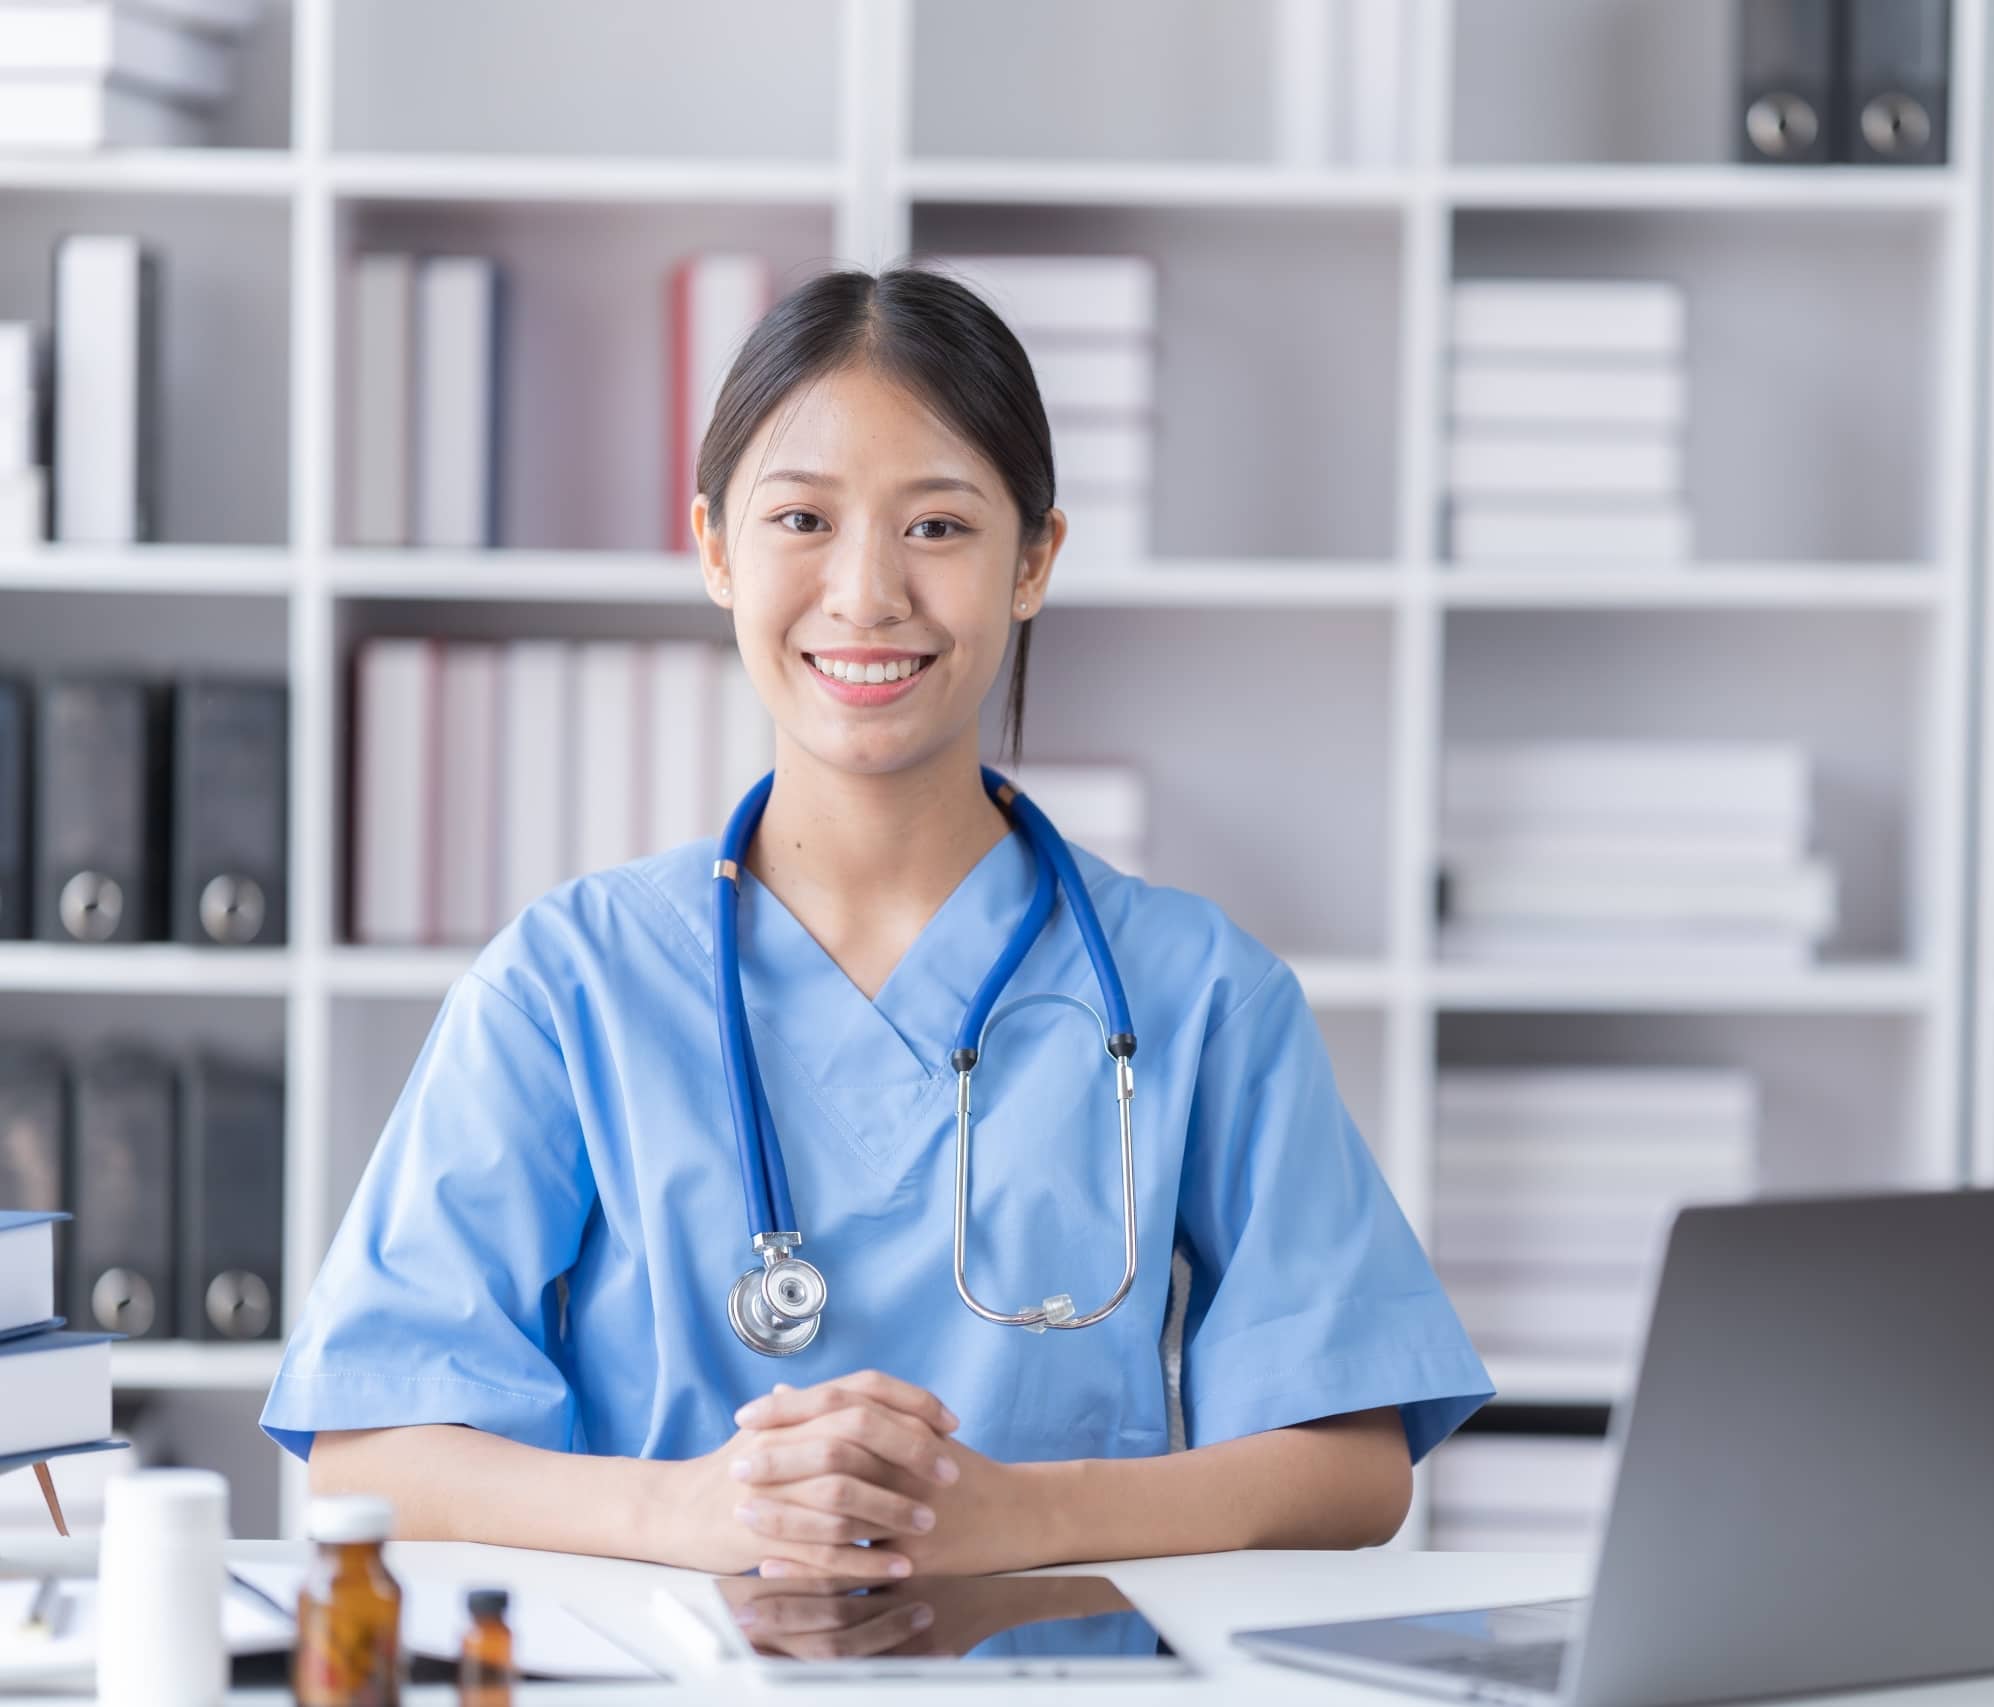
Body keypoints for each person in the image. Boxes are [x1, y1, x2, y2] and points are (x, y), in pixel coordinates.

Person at [261, 266, 1492, 1578]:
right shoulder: (572, 983)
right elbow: (369, 1450)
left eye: (940, 528)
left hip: (1056, 1686)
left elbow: (1355, 1464)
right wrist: (687, 1512)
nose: (865, 594)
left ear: (1034, 561)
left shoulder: (1194, 988)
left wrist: (1033, 1519)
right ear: (717, 550)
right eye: (802, 519)